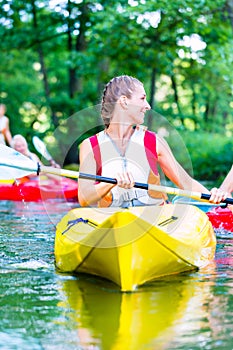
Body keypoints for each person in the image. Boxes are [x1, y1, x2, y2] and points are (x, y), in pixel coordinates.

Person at [78, 75, 228, 208]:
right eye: (142, 99)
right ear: (124, 102)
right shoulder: (89, 146)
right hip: (114, 223)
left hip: (157, 220)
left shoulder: (154, 141)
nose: (148, 106)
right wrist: (108, 183)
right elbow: (84, 199)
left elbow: (185, 183)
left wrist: (212, 196)